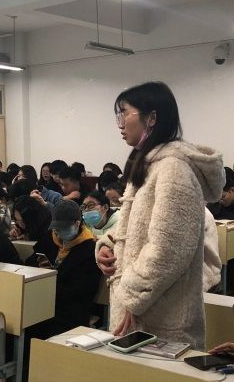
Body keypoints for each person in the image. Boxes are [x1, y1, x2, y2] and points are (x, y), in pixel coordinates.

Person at [95, 81, 224, 349]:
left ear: (151, 118)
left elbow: (168, 249)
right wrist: (108, 245)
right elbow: (135, 226)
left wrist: (131, 297)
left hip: (162, 319)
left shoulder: (173, 169)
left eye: (124, 113)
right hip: (142, 313)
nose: (120, 124)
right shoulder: (149, 164)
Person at [24, 200, 101, 338]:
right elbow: (30, 261)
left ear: (77, 224)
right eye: (56, 228)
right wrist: (40, 268)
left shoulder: (90, 249)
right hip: (42, 300)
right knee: (24, 322)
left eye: (63, 228)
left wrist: (52, 278)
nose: (58, 233)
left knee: (43, 329)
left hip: (69, 310)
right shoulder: (50, 239)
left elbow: (83, 290)